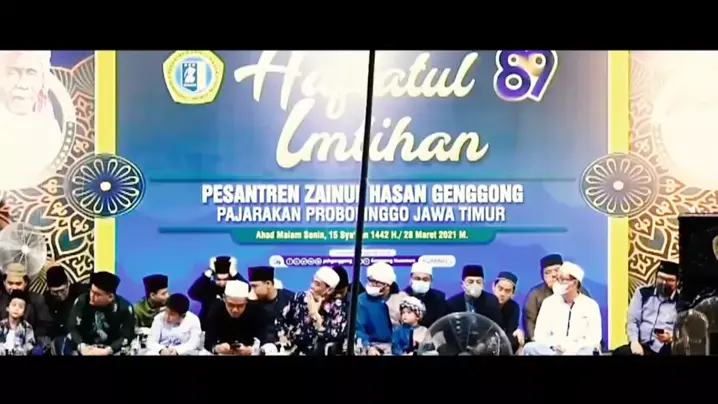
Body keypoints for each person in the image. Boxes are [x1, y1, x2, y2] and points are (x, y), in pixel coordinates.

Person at [0, 51, 65, 189]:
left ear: (43, 80)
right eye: (12, 73)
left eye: (31, 73)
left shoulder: (50, 130)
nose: (23, 85)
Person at [523, 262, 601, 356]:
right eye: (558, 279)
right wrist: (554, 345)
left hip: (578, 351)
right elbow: (540, 335)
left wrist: (572, 348)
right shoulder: (548, 302)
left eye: (563, 279)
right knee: (530, 347)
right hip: (554, 351)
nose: (559, 283)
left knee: (590, 350)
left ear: (574, 282)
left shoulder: (590, 305)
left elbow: (594, 338)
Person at [275, 266, 347, 355]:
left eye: (317, 284)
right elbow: (280, 319)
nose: (312, 286)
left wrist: (315, 314)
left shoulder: (337, 307)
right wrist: (284, 336)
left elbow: (334, 336)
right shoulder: (300, 298)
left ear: (329, 290)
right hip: (294, 350)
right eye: (312, 281)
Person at [613, 260, 679, 356]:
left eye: (669, 280)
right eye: (661, 278)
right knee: (620, 353)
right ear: (655, 277)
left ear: (677, 282)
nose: (664, 283)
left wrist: (672, 338)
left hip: (666, 348)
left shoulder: (681, 302)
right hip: (641, 346)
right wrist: (634, 342)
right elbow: (633, 321)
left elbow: (685, 332)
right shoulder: (643, 293)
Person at [66, 271, 136, 356]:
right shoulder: (82, 301)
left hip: (112, 350)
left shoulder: (124, 308)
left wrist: (108, 350)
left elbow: (126, 336)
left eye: (97, 294)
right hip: (85, 348)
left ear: (110, 297)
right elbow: (72, 328)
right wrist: (82, 347)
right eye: (91, 291)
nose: (92, 296)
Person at [523, 254, 590, 341]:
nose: (554, 275)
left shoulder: (579, 292)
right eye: (548, 272)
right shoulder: (535, 295)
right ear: (542, 276)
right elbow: (530, 325)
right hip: (546, 343)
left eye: (557, 270)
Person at [356, 262, 409, 355]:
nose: (372, 285)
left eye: (377, 283)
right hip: (372, 347)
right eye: (370, 280)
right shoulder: (361, 300)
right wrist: (368, 347)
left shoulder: (401, 299)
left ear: (388, 286)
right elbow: (359, 329)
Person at [204, 280, 268, 355]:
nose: (235, 310)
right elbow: (208, 342)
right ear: (224, 299)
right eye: (231, 305)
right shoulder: (215, 311)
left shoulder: (257, 312)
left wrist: (250, 350)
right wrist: (217, 348)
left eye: (240, 306)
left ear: (246, 301)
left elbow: (265, 340)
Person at [0, 263, 52, 352]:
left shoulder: (37, 300)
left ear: (26, 283)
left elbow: (45, 326)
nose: (14, 287)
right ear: (4, 282)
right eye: (10, 283)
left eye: (18, 283)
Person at [188, 256, 245, 328]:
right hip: (208, 328)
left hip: (231, 328)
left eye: (226, 279)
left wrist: (235, 274)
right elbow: (192, 293)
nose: (222, 283)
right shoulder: (209, 287)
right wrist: (207, 274)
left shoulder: (236, 288)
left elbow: (248, 290)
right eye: (219, 279)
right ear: (214, 278)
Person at [43, 265, 88, 353]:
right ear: (48, 288)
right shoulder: (46, 299)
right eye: (55, 292)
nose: (60, 295)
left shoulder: (82, 292)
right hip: (60, 340)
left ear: (68, 284)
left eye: (62, 290)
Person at [247, 266, 293, 342]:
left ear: (268, 284)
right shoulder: (251, 302)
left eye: (255, 286)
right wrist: (252, 304)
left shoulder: (289, 299)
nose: (252, 290)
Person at [404, 262, 446, 328]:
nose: (421, 282)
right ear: (411, 279)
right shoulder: (403, 296)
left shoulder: (439, 298)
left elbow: (440, 324)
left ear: (431, 281)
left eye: (425, 279)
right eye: (417, 278)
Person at [493, 271, 524, 352]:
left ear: (513, 294)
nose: (502, 294)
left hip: (502, 341)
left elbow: (511, 331)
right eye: (500, 289)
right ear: (493, 287)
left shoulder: (514, 307)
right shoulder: (485, 302)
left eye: (507, 291)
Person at [0, 290, 38, 355]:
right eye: (14, 305)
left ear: (24, 312)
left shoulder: (27, 327)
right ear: (7, 308)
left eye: (20, 307)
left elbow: (30, 344)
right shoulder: (1, 325)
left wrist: (22, 350)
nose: (16, 309)